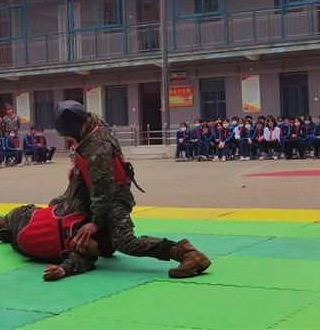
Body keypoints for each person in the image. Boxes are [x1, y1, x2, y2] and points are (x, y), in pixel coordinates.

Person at [52, 100, 211, 278]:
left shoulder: (97, 150)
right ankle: (106, 242)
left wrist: (95, 223)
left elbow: (102, 192)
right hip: (102, 192)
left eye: (69, 138)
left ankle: (186, 253)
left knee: (124, 241)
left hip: (115, 197)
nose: (70, 142)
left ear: (77, 129)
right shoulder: (92, 121)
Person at [0, 165, 113, 281]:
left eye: (85, 251)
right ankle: (5, 221)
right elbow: (81, 182)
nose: (80, 247)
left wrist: (62, 270)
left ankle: (12, 236)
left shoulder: (85, 256)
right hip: (29, 218)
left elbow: (76, 263)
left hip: (26, 248)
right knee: (19, 215)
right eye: (84, 244)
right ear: (87, 230)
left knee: (23, 242)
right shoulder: (77, 209)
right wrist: (75, 173)